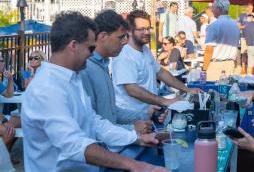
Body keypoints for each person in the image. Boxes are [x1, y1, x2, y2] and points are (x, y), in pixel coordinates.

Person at [21, 11, 166, 172]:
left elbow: (93, 122)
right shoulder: (47, 88)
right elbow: (74, 145)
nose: (93, 53)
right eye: (90, 48)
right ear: (74, 46)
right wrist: (135, 165)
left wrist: (136, 138)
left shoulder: (71, 79)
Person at [80, 10, 165, 135]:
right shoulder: (85, 69)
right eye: (121, 37)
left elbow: (111, 112)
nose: (125, 41)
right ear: (103, 36)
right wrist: (132, 130)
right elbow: (92, 124)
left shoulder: (102, 65)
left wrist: (145, 114)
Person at [112, 10, 200, 116]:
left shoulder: (144, 48)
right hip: (130, 117)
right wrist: (164, 101)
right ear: (130, 31)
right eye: (142, 29)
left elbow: (161, 72)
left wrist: (188, 89)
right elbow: (131, 89)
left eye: (149, 28)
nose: (147, 32)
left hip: (148, 113)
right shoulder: (124, 53)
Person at [202, 0, 240, 81]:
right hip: (230, 64)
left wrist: (204, 69)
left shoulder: (214, 25)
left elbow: (209, 50)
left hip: (216, 66)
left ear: (219, 9)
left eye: (213, 8)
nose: (212, 10)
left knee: (212, 92)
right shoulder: (236, 25)